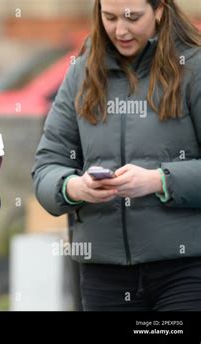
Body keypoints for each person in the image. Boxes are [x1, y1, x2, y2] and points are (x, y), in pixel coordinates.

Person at [32, 0, 201, 311]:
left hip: (185, 270)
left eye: (132, 17)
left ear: (160, 10)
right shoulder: (80, 72)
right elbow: (46, 168)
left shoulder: (194, 67)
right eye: (108, 17)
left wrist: (159, 181)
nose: (120, 30)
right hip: (103, 273)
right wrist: (73, 188)